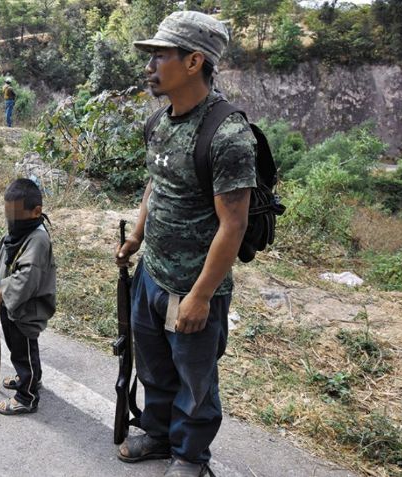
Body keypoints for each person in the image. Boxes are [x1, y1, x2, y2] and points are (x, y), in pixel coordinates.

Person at [115, 11, 256, 477]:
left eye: (160, 56)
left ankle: (190, 455)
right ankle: (157, 435)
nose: (150, 66)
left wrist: (199, 295)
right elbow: (156, 185)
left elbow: (232, 225)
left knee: (195, 382)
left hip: (192, 287)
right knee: (153, 365)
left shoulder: (227, 134)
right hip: (151, 275)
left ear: (194, 61)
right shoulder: (160, 122)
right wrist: (136, 236)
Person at [0, 178, 56, 415]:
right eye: (9, 215)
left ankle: (26, 396)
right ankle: (30, 378)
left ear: (36, 211)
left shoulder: (37, 239)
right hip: (15, 306)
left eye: (16, 216)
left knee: (23, 351)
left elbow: (27, 276)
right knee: (23, 349)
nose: (11, 222)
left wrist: (2, 292)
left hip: (26, 308)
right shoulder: (22, 231)